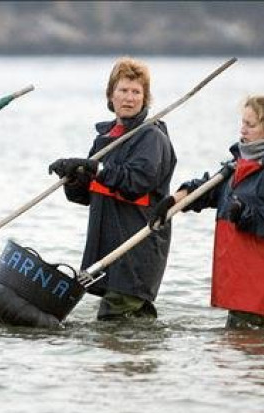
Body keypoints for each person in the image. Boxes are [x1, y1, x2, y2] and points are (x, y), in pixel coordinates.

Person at [150, 95, 264, 328]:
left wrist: (246, 215)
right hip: (241, 278)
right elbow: (209, 189)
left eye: (250, 125)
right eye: (242, 123)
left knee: (257, 348)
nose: (243, 129)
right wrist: (173, 200)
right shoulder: (239, 163)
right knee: (234, 349)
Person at [48, 57, 177, 321]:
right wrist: (74, 177)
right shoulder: (105, 140)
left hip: (137, 247)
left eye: (136, 92)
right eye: (123, 90)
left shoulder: (151, 137)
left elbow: (136, 182)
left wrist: (95, 169)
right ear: (111, 95)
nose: (129, 98)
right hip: (108, 249)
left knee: (115, 319)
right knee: (125, 322)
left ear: (145, 98)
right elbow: (87, 195)